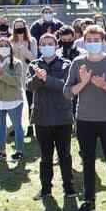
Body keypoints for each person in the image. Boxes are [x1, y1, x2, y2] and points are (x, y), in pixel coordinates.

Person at [65, 26, 106, 211]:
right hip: (84, 120)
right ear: (84, 41)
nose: (93, 42)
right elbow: (68, 92)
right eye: (89, 39)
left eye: (97, 39)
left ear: (103, 41)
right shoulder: (77, 62)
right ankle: (89, 202)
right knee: (88, 163)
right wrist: (83, 82)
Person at [25, 33, 76, 201]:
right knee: (45, 156)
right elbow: (29, 86)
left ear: (56, 47)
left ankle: (68, 187)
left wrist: (46, 78)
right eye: (43, 44)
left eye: (50, 44)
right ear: (39, 47)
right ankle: (46, 188)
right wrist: (38, 78)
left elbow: (65, 86)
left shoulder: (65, 65)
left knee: (65, 154)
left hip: (62, 117)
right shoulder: (34, 65)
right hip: (42, 118)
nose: (46, 46)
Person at [0, 37, 26, 162]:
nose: (3, 48)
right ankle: (2, 151)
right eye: (0, 45)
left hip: (14, 100)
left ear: (10, 48)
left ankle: (19, 150)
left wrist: (2, 75)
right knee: (0, 127)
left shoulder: (17, 63)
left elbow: (16, 81)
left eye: (6, 45)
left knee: (17, 126)